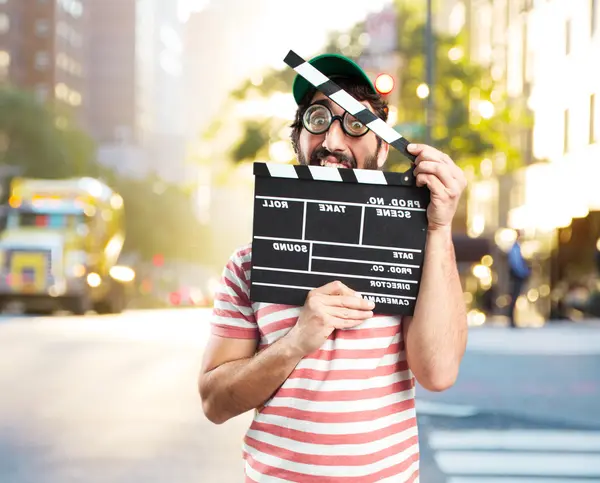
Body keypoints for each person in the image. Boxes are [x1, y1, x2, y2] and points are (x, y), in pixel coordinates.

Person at [198, 53, 468, 482]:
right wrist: (296, 341)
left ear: (384, 146)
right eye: (318, 120)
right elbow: (215, 403)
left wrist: (438, 228)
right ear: (298, 140)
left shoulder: (420, 256)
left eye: (357, 124)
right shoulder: (249, 264)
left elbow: (438, 373)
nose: (335, 143)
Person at [507, 230, 531, 327]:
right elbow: (516, 264)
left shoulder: (516, 248)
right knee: (514, 297)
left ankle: (512, 319)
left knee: (514, 297)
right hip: (517, 276)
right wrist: (524, 272)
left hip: (517, 275)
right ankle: (511, 320)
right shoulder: (515, 248)